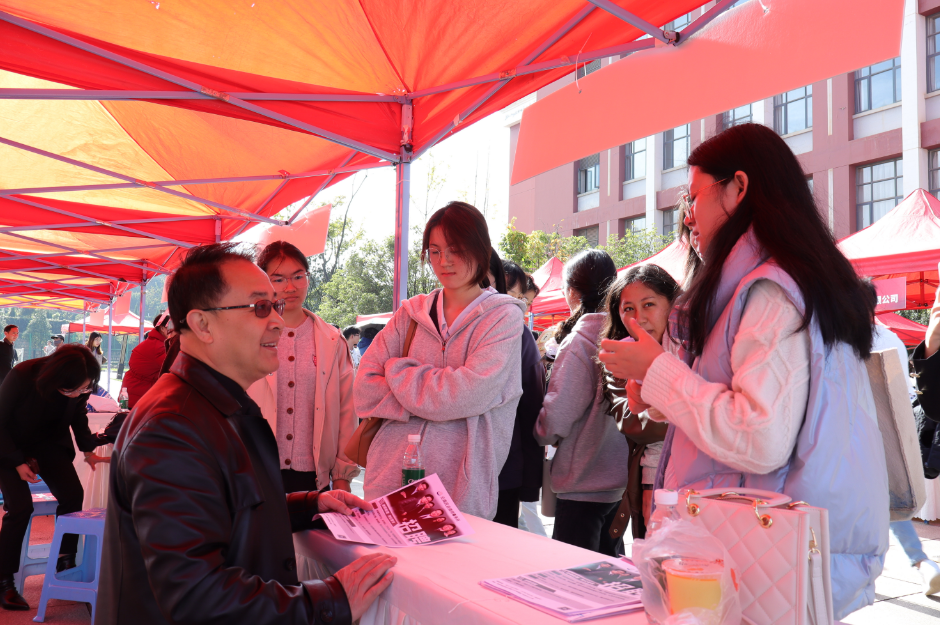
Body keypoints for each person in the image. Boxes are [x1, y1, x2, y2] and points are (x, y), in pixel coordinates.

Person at [598, 123, 889, 619]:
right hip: (777, 543)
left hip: (760, 552)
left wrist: (662, 371)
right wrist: (661, 391)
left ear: (738, 187)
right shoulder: (787, 282)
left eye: (694, 197)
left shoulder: (769, 291)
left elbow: (760, 437)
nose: (688, 217)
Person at [96, 243, 395, 625]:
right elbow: (195, 594)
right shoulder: (171, 429)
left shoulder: (217, 405)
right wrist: (330, 599)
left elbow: (221, 514)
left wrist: (307, 505)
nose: (278, 322)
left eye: (276, 306)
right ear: (203, 325)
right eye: (259, 307)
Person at [355, 201, 525, 519]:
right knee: (387, 567)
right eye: (435, 251)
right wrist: (435, 398)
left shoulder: (503, 317)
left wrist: (397, 370)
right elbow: (364, 389)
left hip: (459, 490)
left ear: (481, 249)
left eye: (455, 249)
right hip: (389, 476)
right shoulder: (410, 313)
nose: (444, 261)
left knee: (449, 568)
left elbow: (469, 392)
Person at [535, 249, 628, 556]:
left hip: (583, 486)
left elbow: (557, 418)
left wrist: (539, 431)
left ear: (572, 292)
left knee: (572, 586)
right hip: (619, 483)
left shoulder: (579, 342)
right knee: (610, 581)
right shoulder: (626, 335)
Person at [247, 241, 359, 494]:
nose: (291, 287)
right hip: (255, 474)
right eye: (278, 279)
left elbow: (347, 412)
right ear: (263, 282)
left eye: (298, 276)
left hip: (314, 478)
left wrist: (342, 475)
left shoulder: (331, 341)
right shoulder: (248, 336)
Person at [0, 344, 103, 611]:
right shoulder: (23, 374)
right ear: (54, 378)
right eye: (71, 390)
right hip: (8, 445)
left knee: (73, 495)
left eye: (83, 389)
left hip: (48, 444)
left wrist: (88, 448)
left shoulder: (81, 383)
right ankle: (3, 579)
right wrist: (17, 461)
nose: (77, 394)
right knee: (21, 507)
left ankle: (65, 561)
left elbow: (78, 415)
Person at [600, 265, 678, 541]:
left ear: (672, 304)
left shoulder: (691, 348)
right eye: (628, 308)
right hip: (653, 476)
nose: (639, 318)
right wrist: (693, 414)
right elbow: (633, 422)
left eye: (649, 305)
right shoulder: (618, 356)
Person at [493, 259, 546, 534]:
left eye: (518, 299)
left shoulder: (521, 336)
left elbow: (531, 413)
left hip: (504, 473)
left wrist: (529, 482)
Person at [121, 313, 170, 409]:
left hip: (133, 391)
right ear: (162, 328)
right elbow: (173, 366)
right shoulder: (159, 347)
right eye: (171, 326)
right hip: (139, 393)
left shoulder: (154, 342)